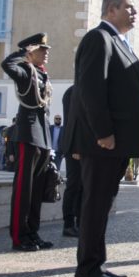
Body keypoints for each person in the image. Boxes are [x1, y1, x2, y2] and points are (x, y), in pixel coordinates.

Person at [60, 0, 139, 277]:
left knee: (101, 206)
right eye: (129, 8)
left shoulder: (119, 42)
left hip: (117, 144)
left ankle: (96, 264)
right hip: (102, 143)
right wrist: (103, 133)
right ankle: (87, 269)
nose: (135, 13)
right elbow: (90, 90)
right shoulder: (98, 39)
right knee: (95, 205)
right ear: (111, 10)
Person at [2, 33, 54, 252]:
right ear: (32, 52)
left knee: (37, 189)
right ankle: (19, 235)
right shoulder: (25, 71)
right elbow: (6, 64)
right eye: (42, 50)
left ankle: (32, 232)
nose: (46, 53)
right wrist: (24, 52)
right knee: (24, 188)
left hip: (41, 133)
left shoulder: (42, 75)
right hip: (28, 132)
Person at [59, 86, 81, 238]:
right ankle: (68, 224)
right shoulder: (73, 92)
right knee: (74, 186)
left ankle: (80, 223)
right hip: (75, 147)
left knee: (83, 187)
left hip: (82, 147)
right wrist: (76, 147)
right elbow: (72, 121)